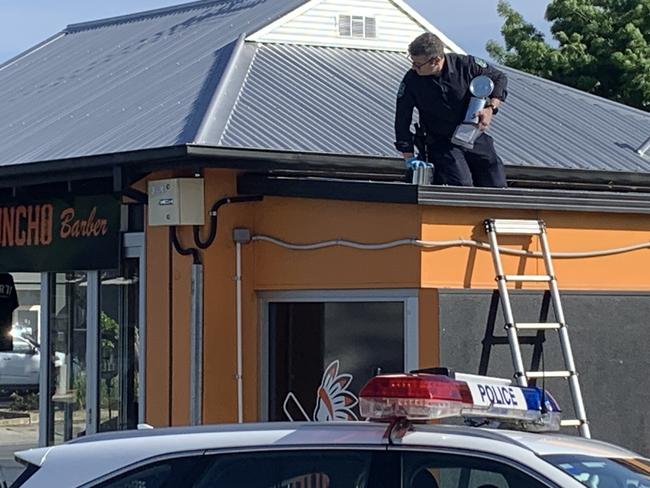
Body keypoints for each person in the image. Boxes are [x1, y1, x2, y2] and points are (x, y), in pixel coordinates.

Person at [395, 32, 508, 187]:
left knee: (495, 179)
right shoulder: (411, 81)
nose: (413, 67)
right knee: (461, 184)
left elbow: (499, 78)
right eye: (412, 62)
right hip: (441, 142)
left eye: (418, 64)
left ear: (436, 60)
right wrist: (409, 157)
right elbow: (402, 119)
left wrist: (491, 108)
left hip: (472, 134)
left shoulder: (466, 65)